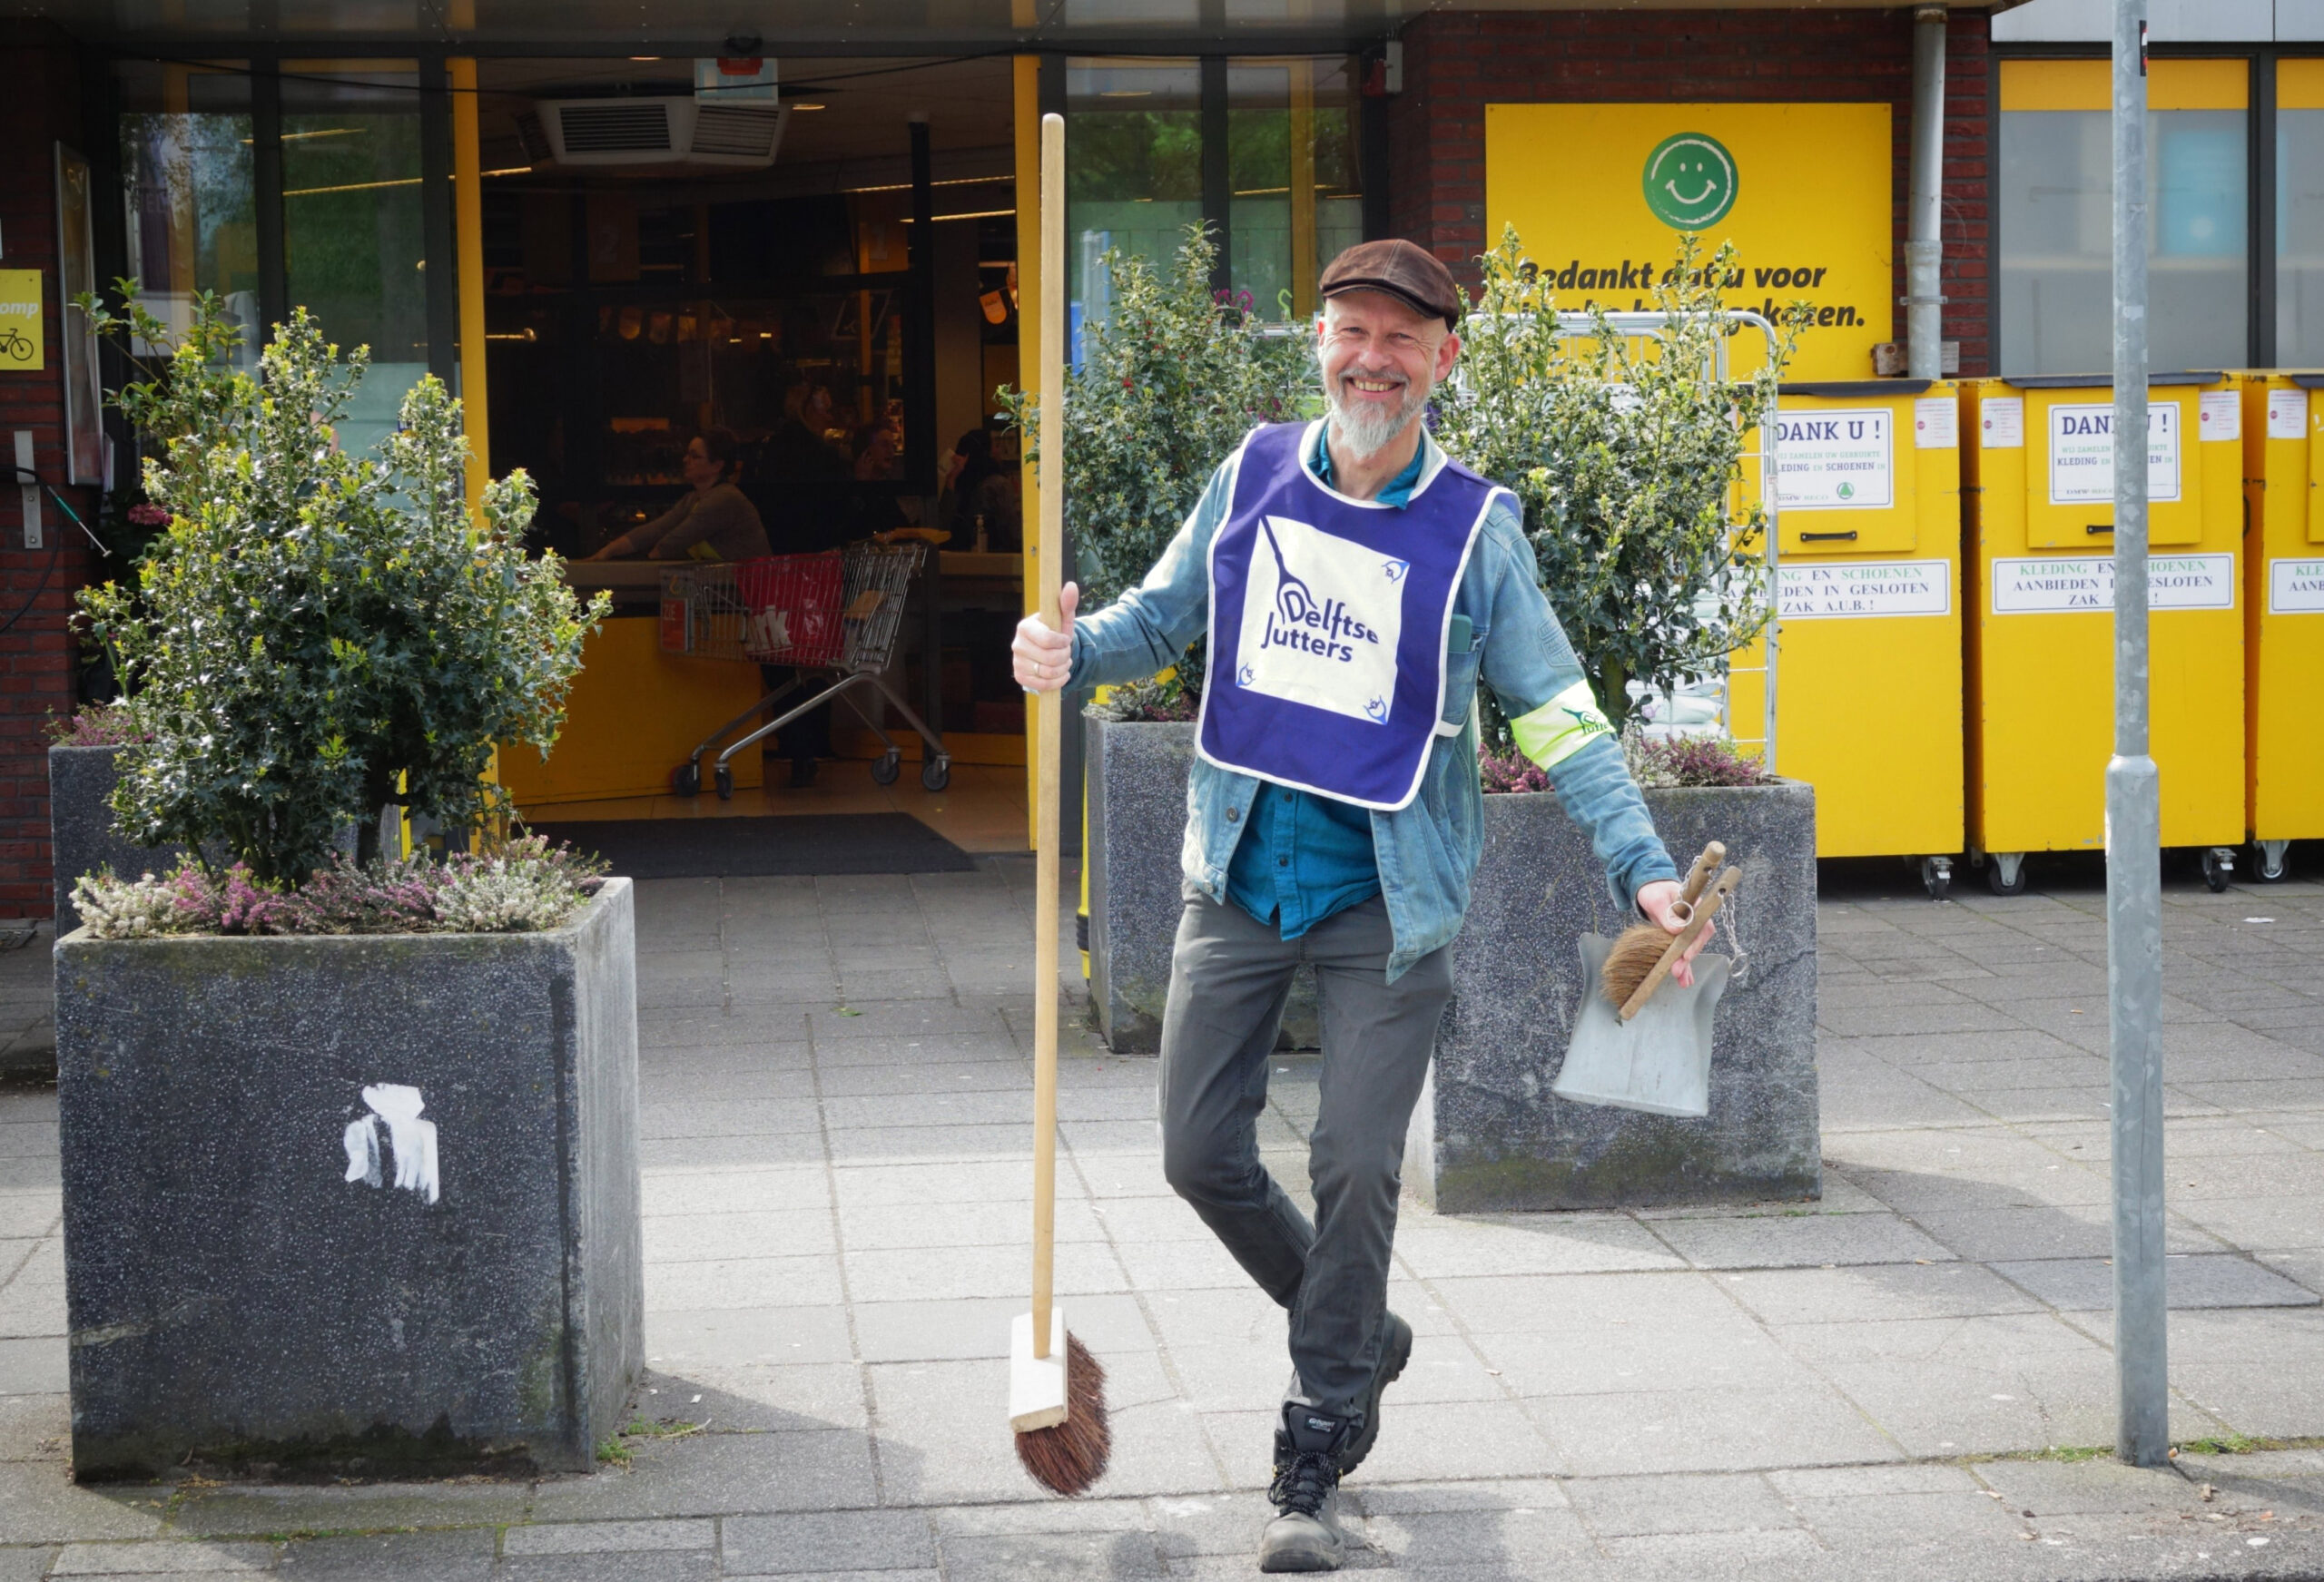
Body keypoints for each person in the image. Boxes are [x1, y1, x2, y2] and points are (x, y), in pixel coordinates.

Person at [1012, 240, 1709, 1574]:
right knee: (1197, 1151)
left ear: (1444, 360)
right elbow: (1156, 623)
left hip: (1389, 908)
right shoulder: (1254, 474)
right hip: (1240, 876)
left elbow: (1558, 714)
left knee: (1351, 1162)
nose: (1371, 359)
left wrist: (1643, 864)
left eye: (1402, 338)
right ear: (1319, 342)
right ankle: (1362, 1330)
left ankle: (1317, 1436)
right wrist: (1065, 651)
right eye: (1350, 331)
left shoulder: (1475, 531)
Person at [583, 428, 770, 563]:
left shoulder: (724, 498)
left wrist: (640, 564)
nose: (685, 460)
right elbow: (657, 529)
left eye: (695, 456)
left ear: (717, 466)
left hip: (751, 591)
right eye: (687, 454)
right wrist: (609, 551)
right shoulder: (693, 499)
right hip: (728, 590)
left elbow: (675, 541)